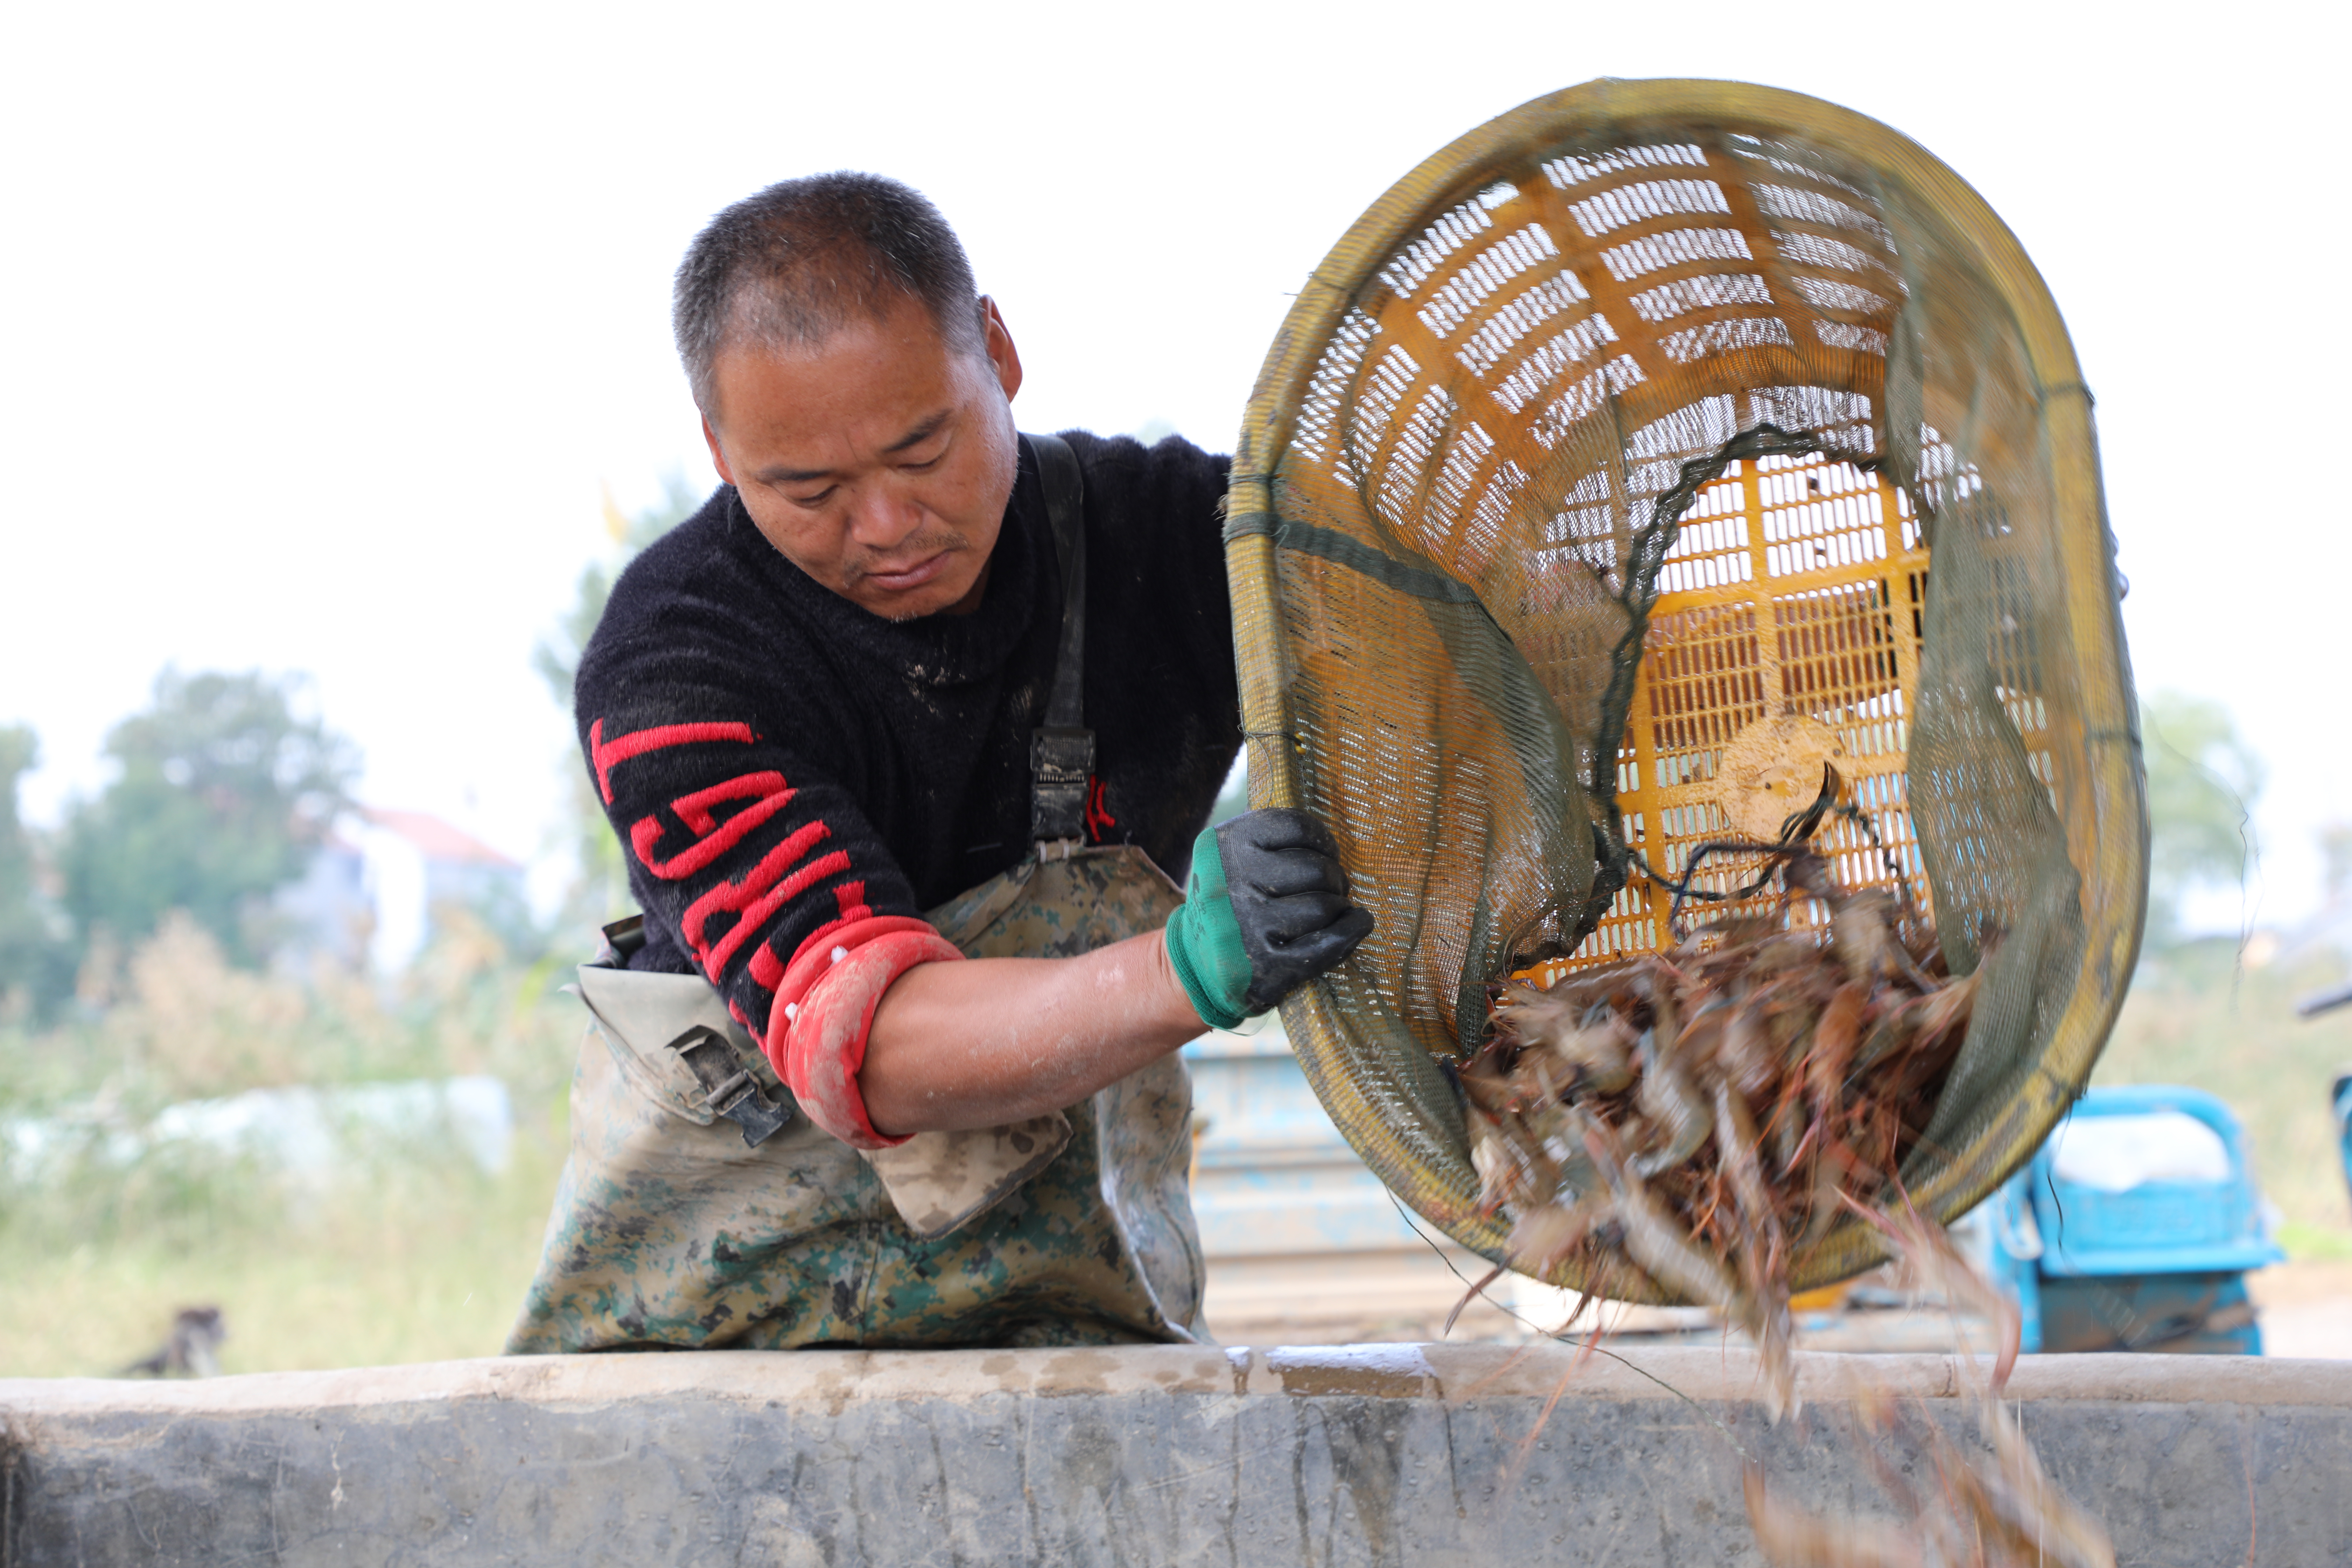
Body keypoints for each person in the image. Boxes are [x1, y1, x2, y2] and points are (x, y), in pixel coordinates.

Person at [507, 173, 1371, 1353]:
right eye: (807, 490)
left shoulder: (1174, 543)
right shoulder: (674, 665)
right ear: (720, 450)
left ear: (999, 354)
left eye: (923, 451)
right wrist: (1186, 972)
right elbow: (871, 1044)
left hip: (1069, 1325)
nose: (884, 525)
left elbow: (1457, 617)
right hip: (715, 1352)